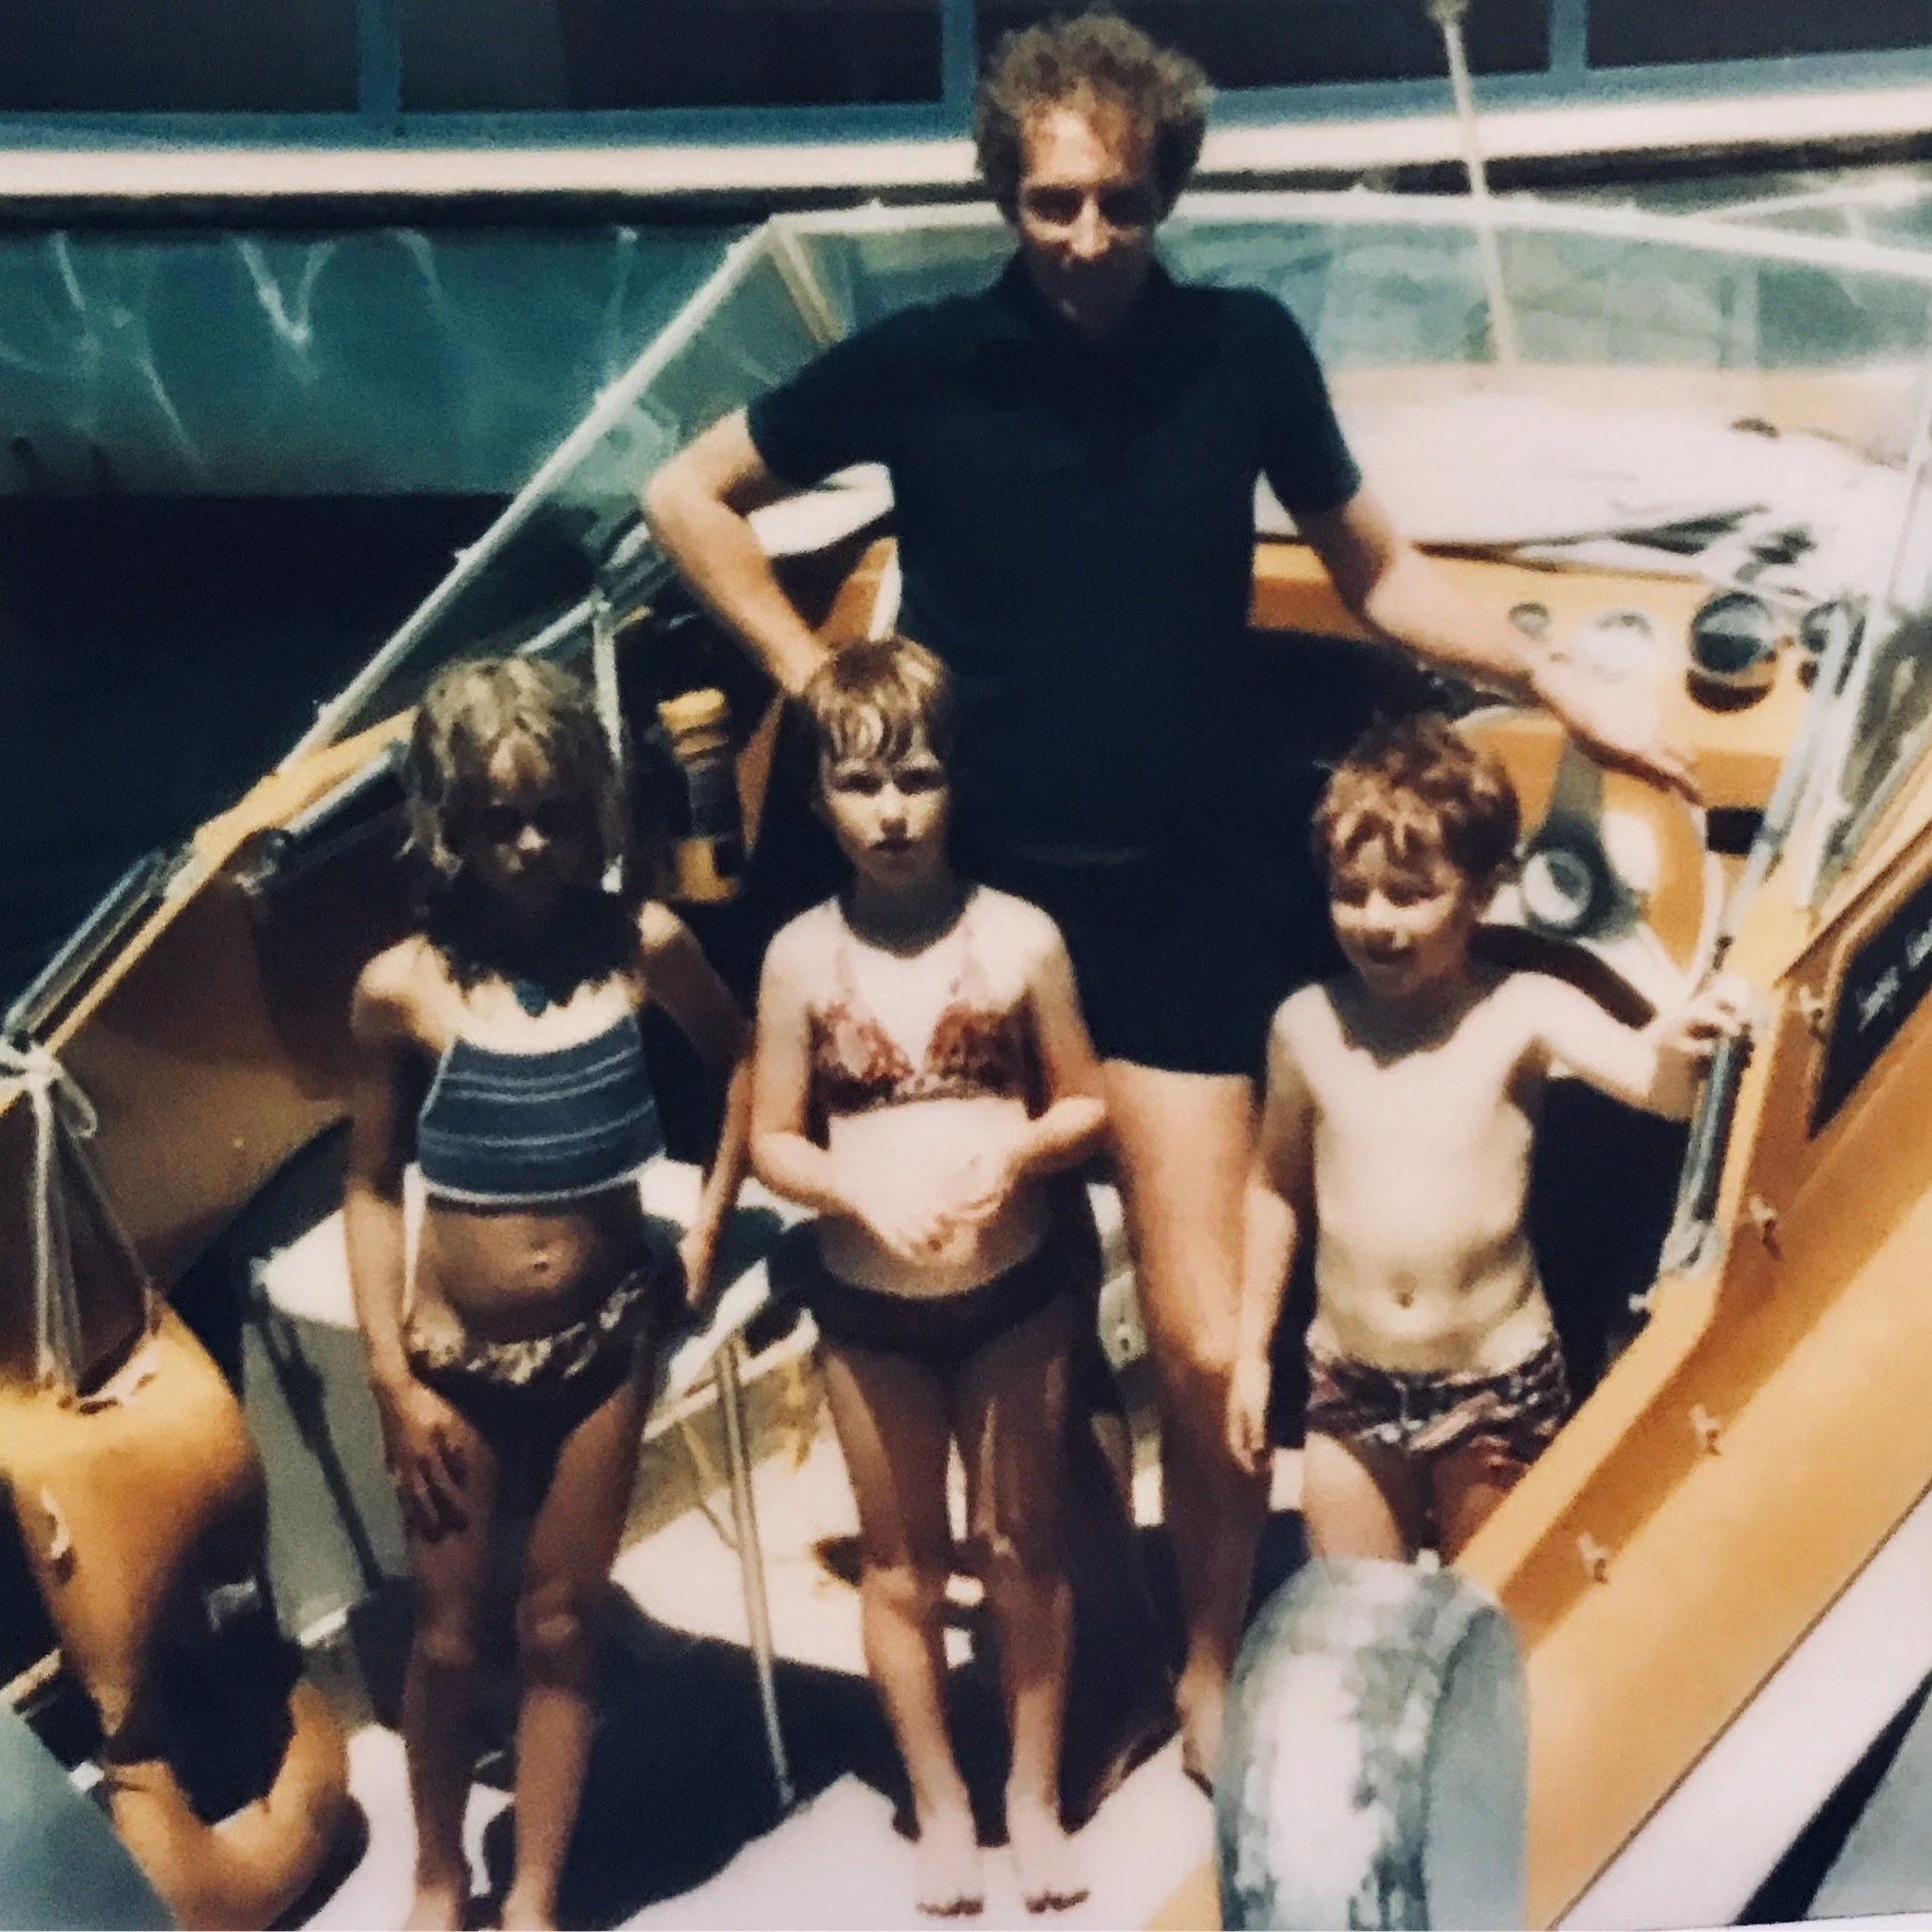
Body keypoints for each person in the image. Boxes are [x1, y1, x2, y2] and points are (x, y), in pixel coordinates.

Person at [643, 10, 1693, 1783]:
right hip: (974, 914)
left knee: (1209, 1337)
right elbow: (689, 491)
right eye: (1052, 204)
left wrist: (1559, 680)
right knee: (1025, 1334)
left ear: (1165, 193)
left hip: (1187, 906)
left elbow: (1371, 568)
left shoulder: (1243, 352)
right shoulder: (921, 364)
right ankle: (1110, 1654)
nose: (1084, 242)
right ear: (1005, 190)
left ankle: (1210, 1661)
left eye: (1120, 205)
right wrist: (812, 676)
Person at [344, 655, 752, 1932]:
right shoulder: (401, 987)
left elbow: (743, 1065)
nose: (527, 844)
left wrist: (706, 1233)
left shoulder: (648, 947)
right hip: (453, 1360)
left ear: (597, 812)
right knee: (454, 1639)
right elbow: (368, 1188)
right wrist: (391, 1378)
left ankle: (532, 1894)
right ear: (447, 824)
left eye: (554, 814)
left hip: (605, 1344)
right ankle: (435, 1869)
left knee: (565, 1623)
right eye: (496, 818)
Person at [751, 636, 1106, 1916]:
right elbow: (773, 1141)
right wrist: (857, 1188)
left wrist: (1018, 1150)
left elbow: (1086, 1106)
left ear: (957, 783)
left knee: (1024, 1557)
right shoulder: (797, 958)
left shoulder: (1021, 940)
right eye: (858, 786)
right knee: (901, 1572)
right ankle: (943, 1806)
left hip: (1015, 1302)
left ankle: (1032, 1797)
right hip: (868, 1318)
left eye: (915, 777)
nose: (891, 811)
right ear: (816, 804)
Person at [1227, 715, 1748, 1560]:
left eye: (1409, 893)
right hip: (1347, 1382)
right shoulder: (1308, 1025)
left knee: (1489, 1610)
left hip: (1494, 1383)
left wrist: (1689, 1034)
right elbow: (1274, 1187)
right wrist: (1252, 1354)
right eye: (1350, 893)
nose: (1375, 921)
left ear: (1479, 892)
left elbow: (1662, 1087)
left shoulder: (1524, 1009)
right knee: (1362, 1621)